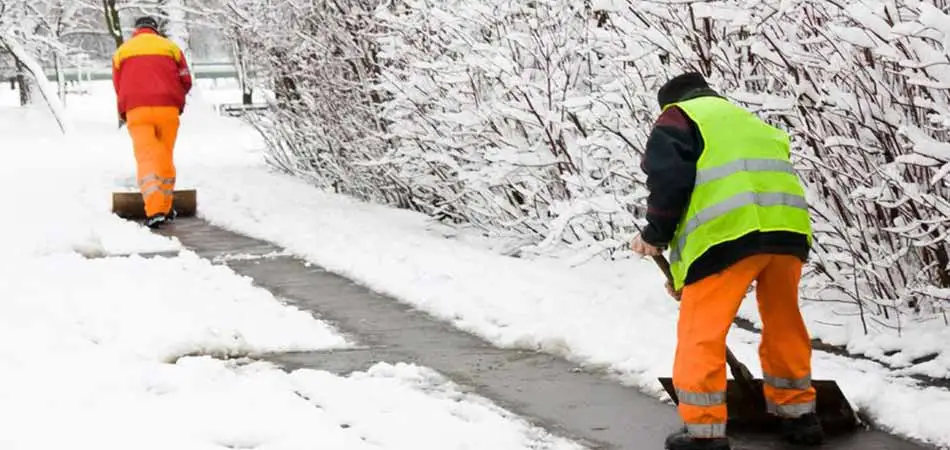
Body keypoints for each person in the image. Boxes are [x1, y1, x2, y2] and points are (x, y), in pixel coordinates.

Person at [629, 72, 823, 450]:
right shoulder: (750, 121)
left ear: (671, 101)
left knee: (701, 333)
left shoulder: (678, 117)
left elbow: (670, 179)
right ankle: (800, 416)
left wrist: (655, 235)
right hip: (787, 234)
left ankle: (704, 432)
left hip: (727, 236)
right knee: (784, 321)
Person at [112, 16, 192, 228]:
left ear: (136, 30)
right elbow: (186, 80)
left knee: (147, 157)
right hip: (168, 110)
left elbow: (118, 86)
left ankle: (155, 210)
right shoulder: (171, 48)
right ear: (155, 30)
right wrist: (175, 97)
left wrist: (125, 110)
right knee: (165, 156)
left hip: (137, 111)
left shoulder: (123, 51)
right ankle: (165, 207)